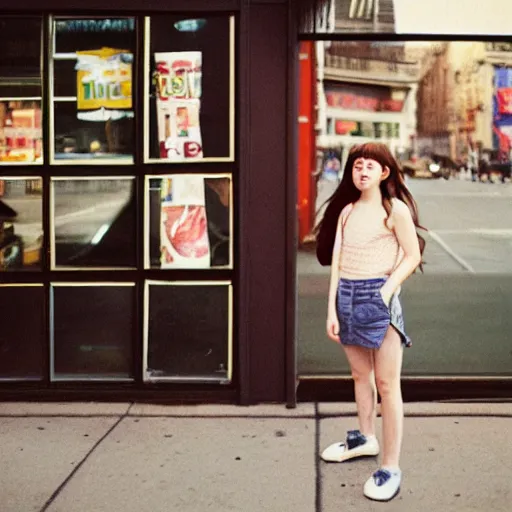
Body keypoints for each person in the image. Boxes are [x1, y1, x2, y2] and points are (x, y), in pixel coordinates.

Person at [315, 142, 425, 502]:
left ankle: (390, 466)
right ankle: (365, 438)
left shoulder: (395, 211)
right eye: (356, 165)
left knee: (387, 384)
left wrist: (386, 291)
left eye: (369, 166)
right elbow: (338, 264)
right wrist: (332, 309)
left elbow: (411, 256)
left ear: (384, 173)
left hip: (380, 297)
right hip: (347, 295)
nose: (361, 172)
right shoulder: (346, 212)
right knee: (360, 376)